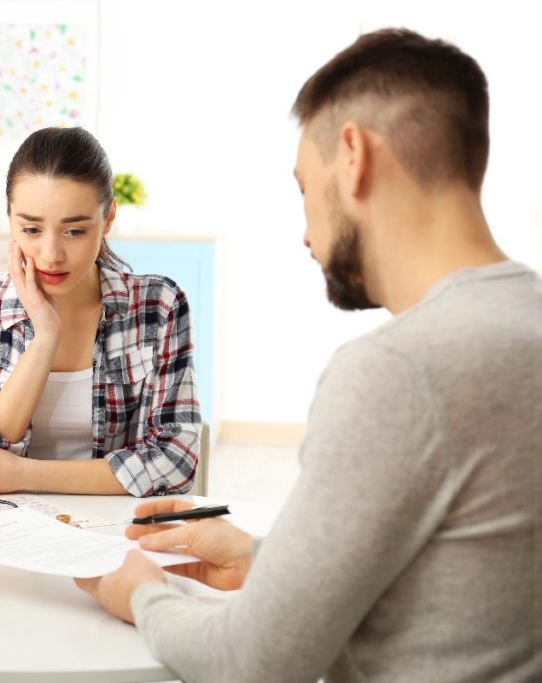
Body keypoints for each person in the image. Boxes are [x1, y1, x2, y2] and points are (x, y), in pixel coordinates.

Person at [76, 28, 540, 682]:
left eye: (303, 188)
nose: (304, 233)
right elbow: (462, 585)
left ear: (353, 156)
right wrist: (264, 562)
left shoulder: (397, 371)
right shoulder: (526, 320)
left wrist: (139, 592)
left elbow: (251, 662)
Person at [0, 127, 202, 497]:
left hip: (115, 526)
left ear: (108, 218)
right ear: (9, 217)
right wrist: (45, 339)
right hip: (1, 524)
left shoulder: (158, 305)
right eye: (30, 228)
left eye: (74, 231)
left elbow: (177, 460)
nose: (50, 254)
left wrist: (23, 475)